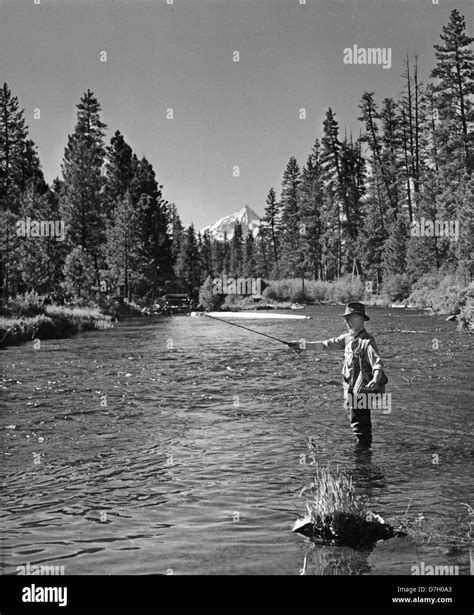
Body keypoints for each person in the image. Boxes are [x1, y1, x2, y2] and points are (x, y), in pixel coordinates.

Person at [288, 301, 386, 448]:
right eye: (346, 318)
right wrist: (300, 345)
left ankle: (362, 460)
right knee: (357, 425)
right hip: (350, 391)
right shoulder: (347, 338)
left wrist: (376, 379)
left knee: (360, 428)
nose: (346, 321)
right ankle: (363, 458)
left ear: (361, 319)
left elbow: (377, 363)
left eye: (350, 317)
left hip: (361, 391)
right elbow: (323, 345)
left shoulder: (367, 341)